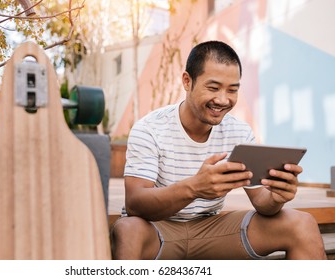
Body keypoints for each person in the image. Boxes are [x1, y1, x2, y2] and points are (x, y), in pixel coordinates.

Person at [111, 40, 326, 260]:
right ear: (187, 81)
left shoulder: (238, 132)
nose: (223, 100)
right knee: (128, 229)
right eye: (213, 88)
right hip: (156, 231)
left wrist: (277, 197)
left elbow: (262, 203)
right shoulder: (150, 129)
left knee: (302, 223)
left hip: (211, 230)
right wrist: (194, 188)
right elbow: (135, 204)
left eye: (232, 90)